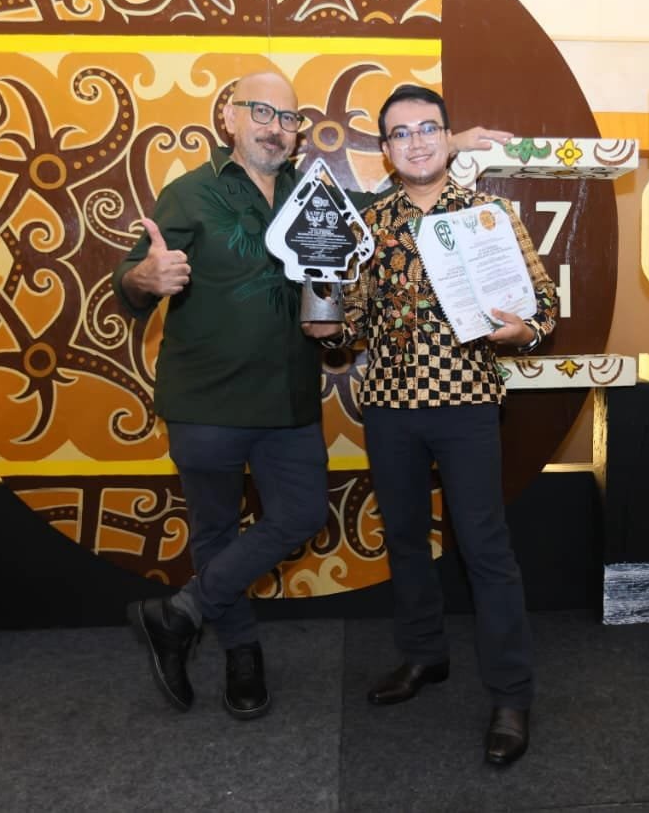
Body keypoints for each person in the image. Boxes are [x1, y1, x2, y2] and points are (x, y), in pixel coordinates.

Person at [114, 70, 509, 721]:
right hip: (204, 401)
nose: (276, 127)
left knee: (301, 515)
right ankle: (241, 654)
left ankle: (179, 613)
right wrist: (144, 278)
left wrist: (447, 141)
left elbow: (388, 205)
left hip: (288, 401)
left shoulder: (314, 192)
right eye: (261, 112)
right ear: (229, 118)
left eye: (288, 117)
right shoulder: (188, 194)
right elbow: (129, 279)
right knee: (216, 532)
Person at [303, 84, 557, 766]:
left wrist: (524, 330)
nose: (415, 141)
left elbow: (543, 306)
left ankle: (511, 694)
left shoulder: (489, 215)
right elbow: (352, 324)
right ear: (386, 150)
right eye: (400, 132)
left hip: (467, 402)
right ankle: (424, 655)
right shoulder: (368, 224)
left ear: (447, 138)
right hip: (389, 406)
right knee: (406, 540)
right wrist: (328, 329)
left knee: (485, 549)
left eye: (426, 128)